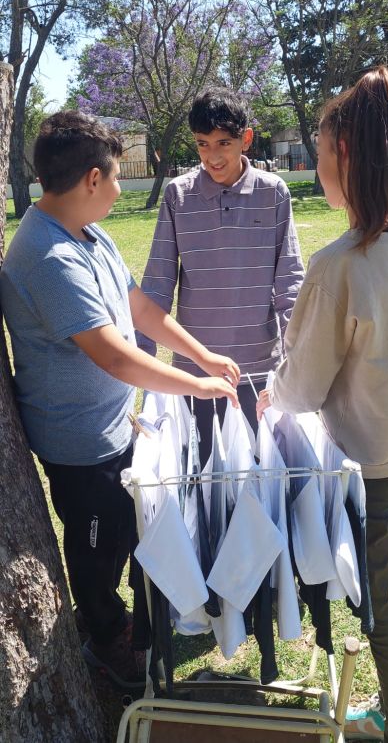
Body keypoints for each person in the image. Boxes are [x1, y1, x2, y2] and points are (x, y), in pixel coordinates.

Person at [0, 110, 240, 689]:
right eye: (112, 176)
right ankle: (105, 637)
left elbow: (139, 311)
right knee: (97, 547)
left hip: (117, 429)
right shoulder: (47, 257)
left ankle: (124, 622)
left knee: (133, 533)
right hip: (80, 446)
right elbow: (113, 355)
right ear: (90, 178)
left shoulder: (89, 232)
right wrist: (198, 385)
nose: (116, 188)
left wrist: (202, 356)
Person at [256, 66, 388, 743]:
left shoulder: (339, 263)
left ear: (345, 157)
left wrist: (270, 392)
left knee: (380, 607)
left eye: (321, 148)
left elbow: (301, 386)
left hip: (363, 459)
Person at [137, 87, 304, 464]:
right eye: (202, 144)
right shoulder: (177, 195)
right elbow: (159, 284)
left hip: (260, 368)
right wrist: (143, 367)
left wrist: (299, 361)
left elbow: (290, 281)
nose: (212, 156)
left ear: (245, 138)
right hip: (195, 376)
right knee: (203, 478)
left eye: (223, 143)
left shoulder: (273, 192)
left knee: (262, 478)